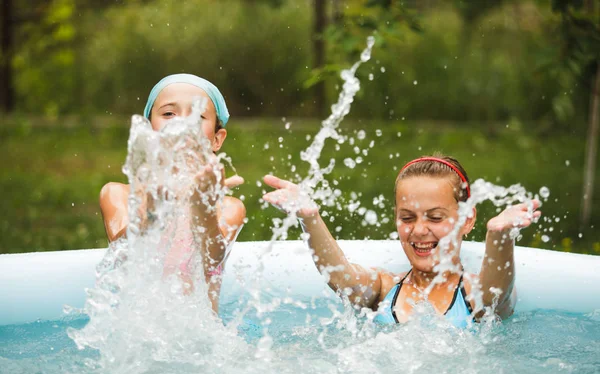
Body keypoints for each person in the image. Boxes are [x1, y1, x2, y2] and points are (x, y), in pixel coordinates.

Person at [261, 155, 541, 328]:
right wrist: (310, 218)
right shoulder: (385, 289)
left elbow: (497, 294)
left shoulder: (471, 293)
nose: (419, 230)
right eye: (407, 218)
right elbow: (342, 278)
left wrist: (499, 236)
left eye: (434, 218)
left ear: (467, 219)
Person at [99, 74, 246, 313]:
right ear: (147, 130)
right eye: (169, 114)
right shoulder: (118, 194)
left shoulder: (228, 207)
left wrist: (203, 207)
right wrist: (154, 213)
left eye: (197, 116)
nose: (182, 124)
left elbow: (211, 260)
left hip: (203, 339)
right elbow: (124, 254)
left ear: (217, 139)